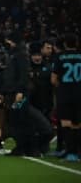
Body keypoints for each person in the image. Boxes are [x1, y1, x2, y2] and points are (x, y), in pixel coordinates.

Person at [52, 33, 81, 162]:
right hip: (79, 93)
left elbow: (53, 79)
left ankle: (70, 152)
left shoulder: (60, 57)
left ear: (64, 44)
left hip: (65, 94)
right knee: (77, 123)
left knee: (65, 123)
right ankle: (77, 152)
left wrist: (62, 86)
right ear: (77, 43)